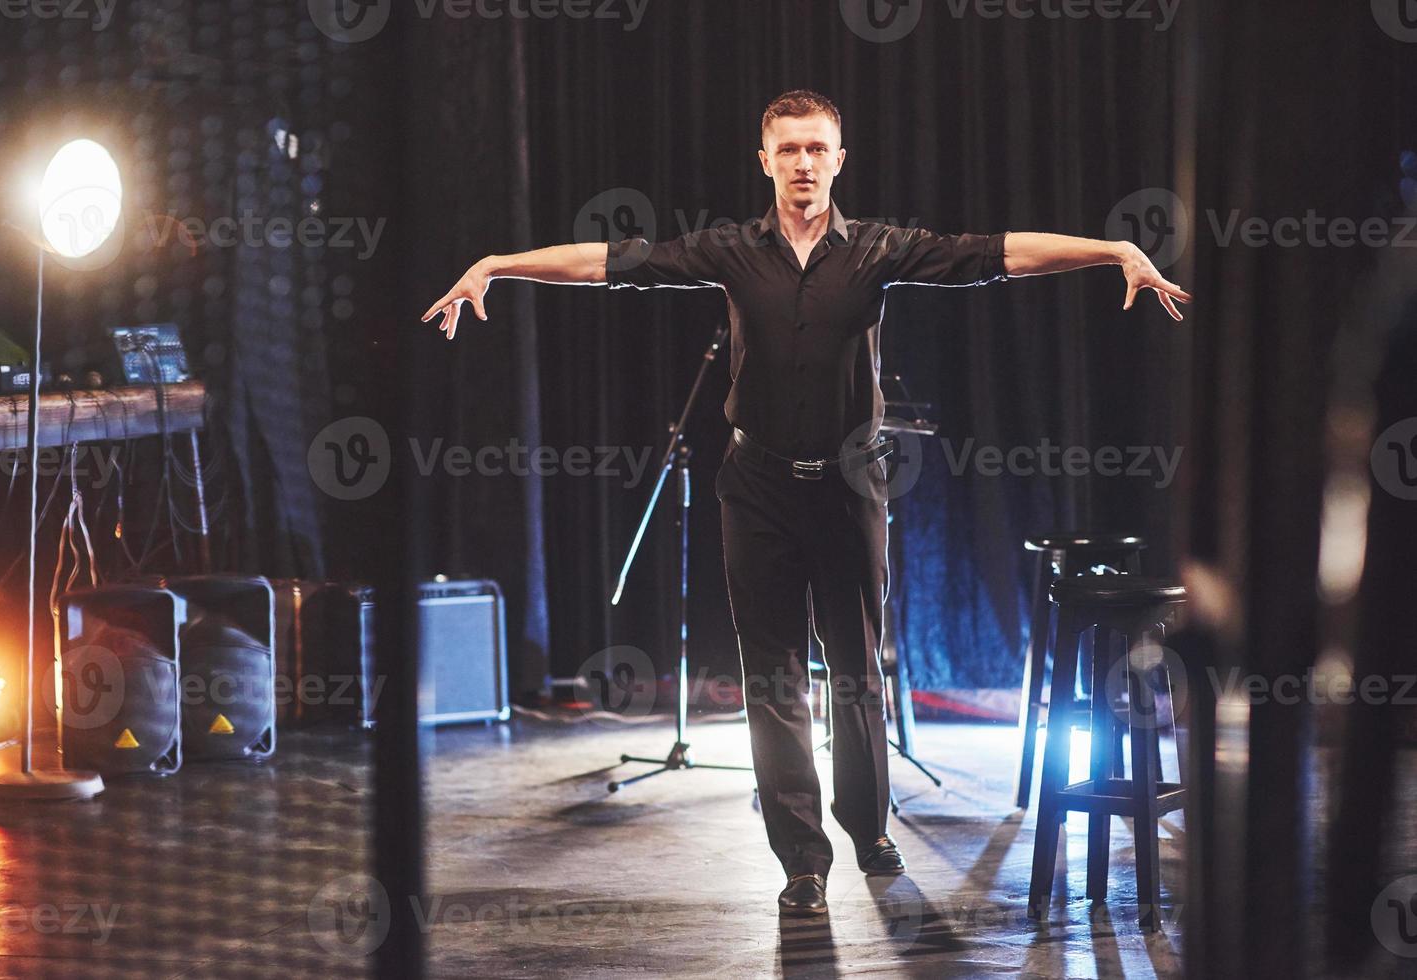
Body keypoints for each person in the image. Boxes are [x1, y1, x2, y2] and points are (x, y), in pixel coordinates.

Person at [422, 89, 1189, 917]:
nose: (803, 163)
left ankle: (868, 825)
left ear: (838, 158)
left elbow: (994, 254)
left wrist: (1111, 250)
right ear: (765, 160)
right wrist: (498, 264)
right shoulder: (729, 251)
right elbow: (613, 263)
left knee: (857, 668)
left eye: (817, 148)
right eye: (788, 149)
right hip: (754, 487)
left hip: (852, 486)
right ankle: (801, 859)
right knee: (773, 676)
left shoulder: (879, 249)